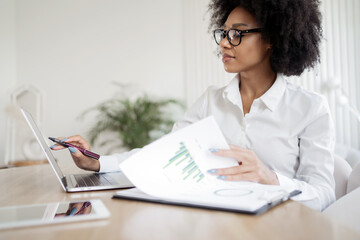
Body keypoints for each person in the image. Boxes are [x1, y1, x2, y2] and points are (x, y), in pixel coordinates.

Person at [51, 0, 335, 211]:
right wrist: (97, 162)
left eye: (237, 33)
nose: (224, 43)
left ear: (272, 38)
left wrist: (271, 178)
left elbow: (324, 194)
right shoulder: (211, 100)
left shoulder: (310, 109)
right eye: (223, 33)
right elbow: (161, 156)